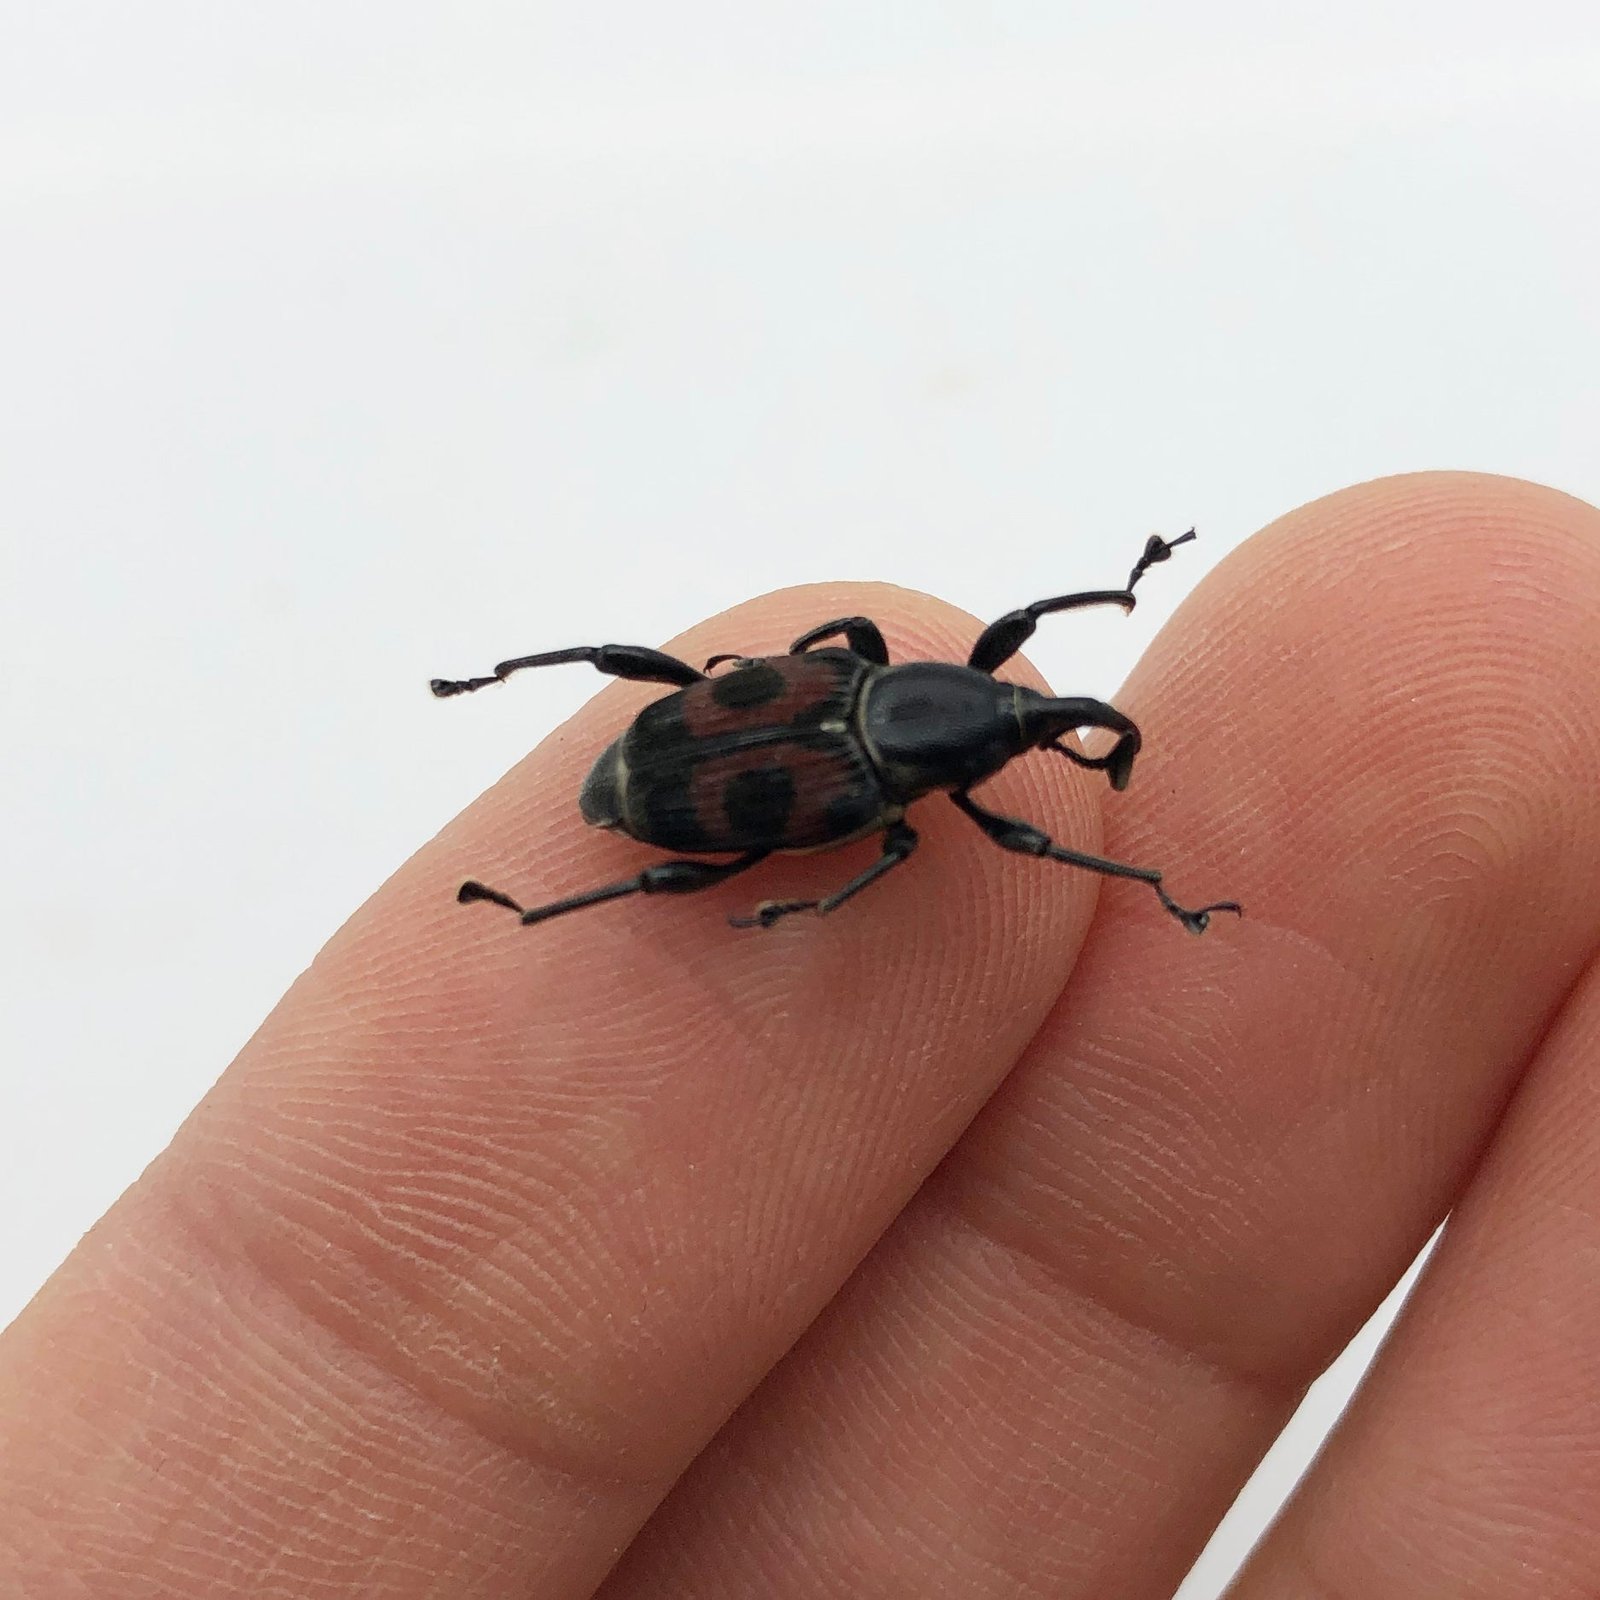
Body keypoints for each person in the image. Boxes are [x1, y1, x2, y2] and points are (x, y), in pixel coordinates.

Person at [4, 471, 1598, 1598]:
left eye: (1042, 731)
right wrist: (814, 907)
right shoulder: (894, 803)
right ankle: (552, 878)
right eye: (1039, 727)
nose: (1048, 727)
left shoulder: (905, 734)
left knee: (809, 849)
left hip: (744, 755)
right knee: (776, 870)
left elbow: (946, 702)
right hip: (680, 779)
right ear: (946, 726)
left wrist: (1090, 754)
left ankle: (577, 845)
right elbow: (895, 812)